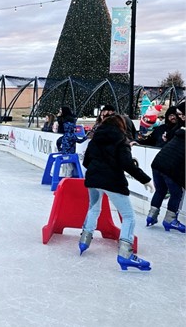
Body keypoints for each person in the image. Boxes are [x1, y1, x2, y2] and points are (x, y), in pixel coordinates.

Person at [79, 114, 155, 271]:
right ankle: (125, 254)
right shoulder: (121, 141)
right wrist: (146, 180)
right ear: (122, 126)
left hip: (93, 180)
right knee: (128, 217)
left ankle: (84, 240)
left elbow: (86, 161)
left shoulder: (95, 139)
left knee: (94, 208)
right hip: (112, 181)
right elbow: (127, 164)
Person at [147, 104, 185, 233]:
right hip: (169, 166)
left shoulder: (178, 131)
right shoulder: (179, 130)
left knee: (161, 190)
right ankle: (170, 220)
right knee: (177, 193)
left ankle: (151, 216)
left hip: (157, 162)